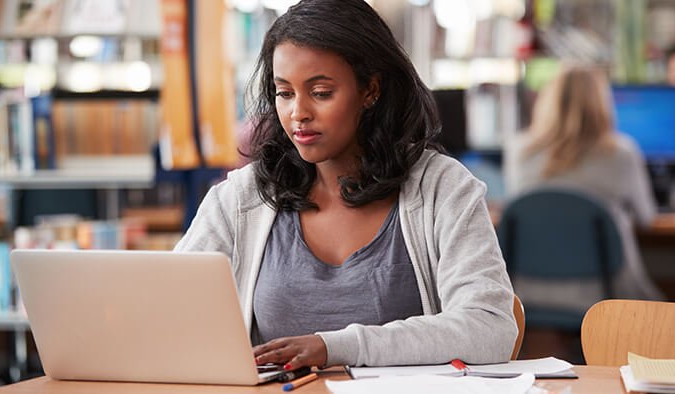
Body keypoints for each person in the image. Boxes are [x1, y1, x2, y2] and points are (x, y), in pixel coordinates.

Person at [175, 0, 517, 371]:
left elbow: (490, 328)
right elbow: (165, 308)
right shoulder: (242, 198)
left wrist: (336, 346)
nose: (297, 113)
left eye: (320, 92)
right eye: (284, 93)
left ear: (370, 90)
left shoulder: (442, 188)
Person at [504, 65, 665, 313]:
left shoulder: (519, 151)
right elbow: (647, 218)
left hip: (529, 291)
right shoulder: (621, 153)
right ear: (602, 103)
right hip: (607, 294)